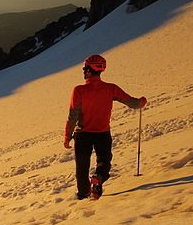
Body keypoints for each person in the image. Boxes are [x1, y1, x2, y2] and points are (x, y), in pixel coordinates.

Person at [63, 55, 147, 200]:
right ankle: (99, 178)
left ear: (90, 70)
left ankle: (83, 194)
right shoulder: (111, 89)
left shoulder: (79, 91)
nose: (83, 71)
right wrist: (141, 102)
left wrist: (67, 137)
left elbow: (73, 116)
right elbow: (132, 103)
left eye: (85, 69)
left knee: (82, 168)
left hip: (83, 135)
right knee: (104, 161)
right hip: (103, 133)